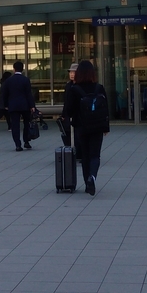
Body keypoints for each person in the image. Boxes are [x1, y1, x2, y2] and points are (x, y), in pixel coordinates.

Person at [63, 60, 108, 195]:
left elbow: (68, 110)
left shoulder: (74, 89)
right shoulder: (99, 88)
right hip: (98, 126)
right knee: (95, 155)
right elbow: (105, 109)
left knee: (85, 156)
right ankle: (92, 177)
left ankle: (87, 183)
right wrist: (106, 127)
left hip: (81, 126)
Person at [0, 60, 35, 151]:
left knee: (15, 125)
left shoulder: (9, 81)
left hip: (13, 105)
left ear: (14, 69)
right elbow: (29, 94)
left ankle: (18, 144)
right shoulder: (26, 80)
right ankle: (26, 141)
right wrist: (32, 106)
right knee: (26, 123)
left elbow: (5, 94)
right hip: (25, 105)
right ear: (22, 69)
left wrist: (6, 105)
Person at [60, 63, 78, 146]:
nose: (72, 74)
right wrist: (63, 114)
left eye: (74, 73)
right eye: (70, 72)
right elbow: (66, 101)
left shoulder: (80, 85)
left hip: (77, 113)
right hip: (68, 113)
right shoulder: (68, 85)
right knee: (67, 131)